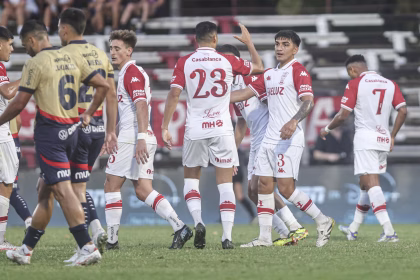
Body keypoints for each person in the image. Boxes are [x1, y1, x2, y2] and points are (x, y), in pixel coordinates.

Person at [3, 20, 110, 266]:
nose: (25, 50)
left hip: (51, 134)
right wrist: (89, 113)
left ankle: (87, 246)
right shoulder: (70, 57)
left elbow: (18, 103)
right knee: (45, 191)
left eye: (24, 44)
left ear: (31, 40)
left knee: (64, 190)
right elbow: (103, 85)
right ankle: (26, 249)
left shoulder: (36, 62)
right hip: (73, 131)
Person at [161, 21, 264, 249]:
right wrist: (248, 43)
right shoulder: (227, 60)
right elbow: (258, 66)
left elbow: (174, 94)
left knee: (191, 179)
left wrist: (165, 127)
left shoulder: (184, 61)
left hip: (195, 128)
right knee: (226, 184)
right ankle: (227, 237)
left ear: (196, 39)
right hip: (222, 128)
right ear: (215, 39)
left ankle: (198, 222)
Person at [231, 30, 334, 248]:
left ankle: (323, 220)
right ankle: (265, 238)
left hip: (290, 137)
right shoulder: (268, 75)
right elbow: (242, 95)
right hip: (269, 139)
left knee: (286, 189)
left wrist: (294, 121)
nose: (279, 48)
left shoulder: (298, 70)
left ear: (295, 49)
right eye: (277, 43)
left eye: (285, 44)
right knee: (263, 187)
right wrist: (210, 97)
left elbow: (308, 101)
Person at [105, 29, 192, 250]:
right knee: (143, 189)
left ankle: (112, 241)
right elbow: (131, 110)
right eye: (111, 48)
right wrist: (113, 134)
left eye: (117, 48)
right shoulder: (129, 72)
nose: (112, 52)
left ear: (129, 50)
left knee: (111, 186)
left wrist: (140, 138)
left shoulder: (131, 72)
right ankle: (180, 227)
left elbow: (141, 105)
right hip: (136, 136)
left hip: (134, 138)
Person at [218, 44, 308, 246]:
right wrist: (232, 152)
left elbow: (274, 104)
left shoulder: (251, 79)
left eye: (230, 60)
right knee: (253, 192)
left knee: (261, 187)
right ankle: (287, 231)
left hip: (269, 137)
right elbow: (241, 123)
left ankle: (293, 228)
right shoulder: (229, 86)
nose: (227, 64)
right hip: (256, 140)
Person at [320, 55, 407, 242]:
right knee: (365, 185)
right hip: (383, 139)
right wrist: (392, 135)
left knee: (372, 182)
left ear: (352, 70)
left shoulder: (355, 83)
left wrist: (327, 128)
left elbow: (343, 115)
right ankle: (353, 229)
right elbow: (403, 110)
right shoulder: (389, 83)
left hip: (365, 138)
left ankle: (389, 231)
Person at [58, 8, 118, 259]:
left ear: (64, 29)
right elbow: (112, 94)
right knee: (77, 186)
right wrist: (111, 131)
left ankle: (86, 243)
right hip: (97, 129)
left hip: (74, 127)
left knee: (68, 189)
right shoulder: (100, 54)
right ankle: (95, 231)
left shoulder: (61, 55)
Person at [0, 26, 21, 251]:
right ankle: (0, 240)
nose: (12, 49)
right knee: (6, 184)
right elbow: (7, 92)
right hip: (1, 134)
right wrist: (29, 77)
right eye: (10, 43)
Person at [9, 115, 33, 231]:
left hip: (4, 143)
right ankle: (29, 221)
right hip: (14, 142)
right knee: (11, 192)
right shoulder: (12, 97)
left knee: (7, 192)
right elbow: (18, 120)